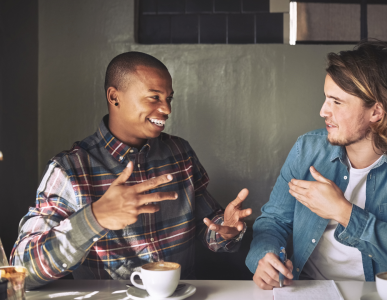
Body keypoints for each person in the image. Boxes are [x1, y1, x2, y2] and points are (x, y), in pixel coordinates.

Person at [11, 52, 252, 289]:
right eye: (154, 97)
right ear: (114, 97)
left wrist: (226, 232)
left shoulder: (180, 153)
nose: (167, 109)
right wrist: (95, 218)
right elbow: (22, 271)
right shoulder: (68, 170)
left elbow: (209, 228)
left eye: (169, 98)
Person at [246, 41, 387, 289]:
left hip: (380, 294)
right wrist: (265, 259)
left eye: (337, 102)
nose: (323, 111)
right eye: (325, 98)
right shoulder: (307, 150)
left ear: (376, 112)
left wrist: (345, 212)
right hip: (308, 290)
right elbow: (273, 222)